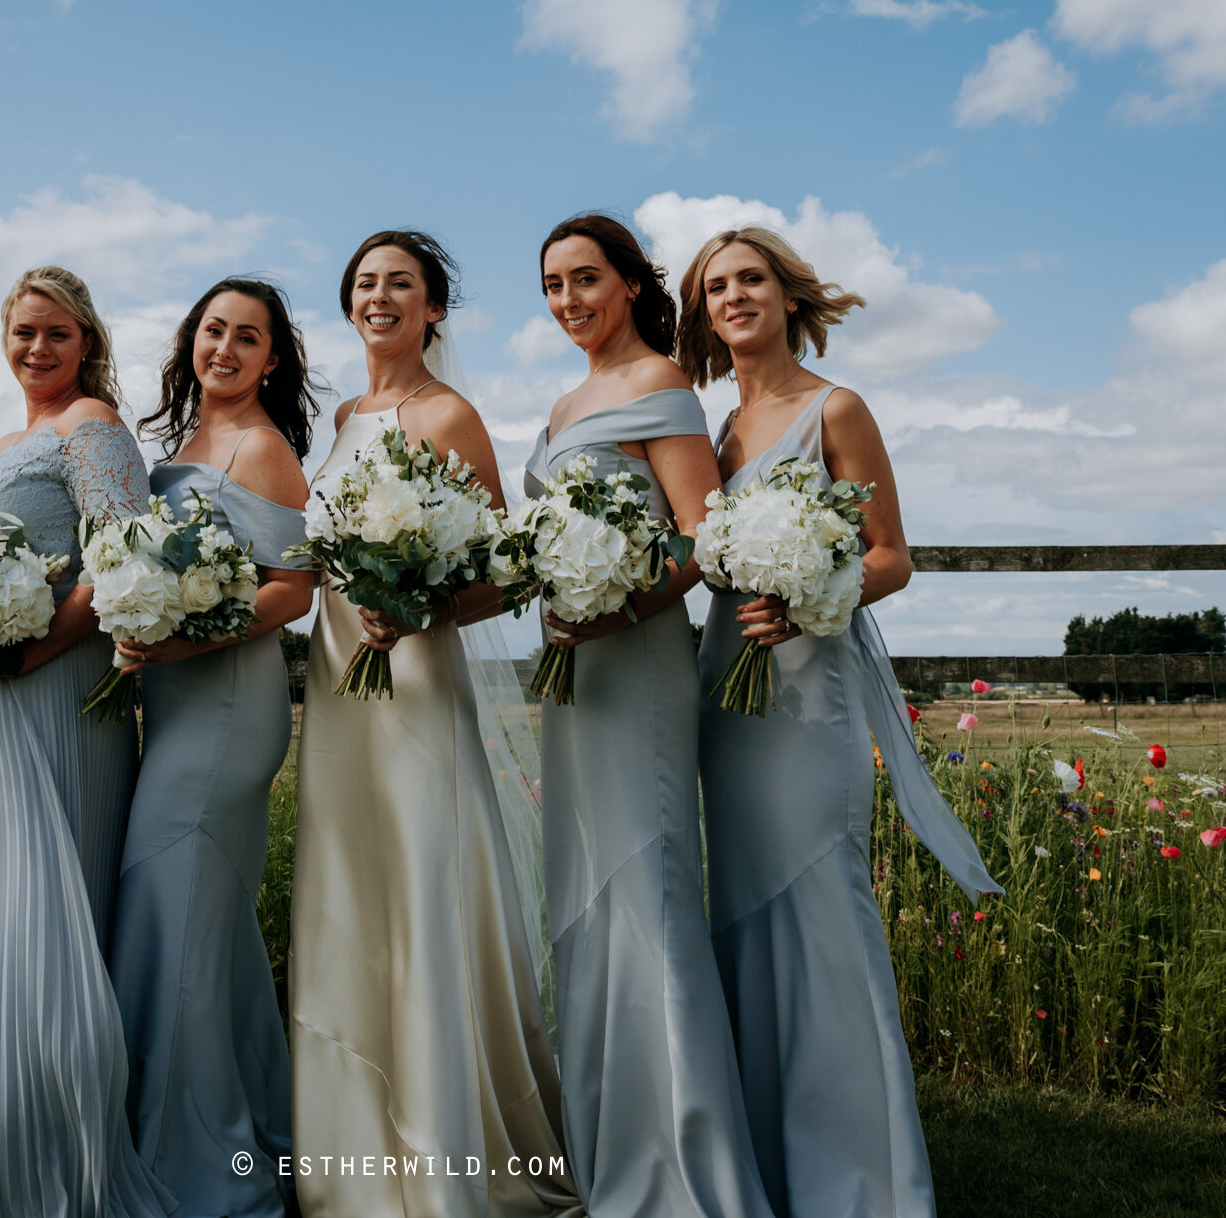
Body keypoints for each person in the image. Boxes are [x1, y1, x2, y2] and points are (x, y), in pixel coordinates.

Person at [678, 227, 1000, 1218]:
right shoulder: (713, 433)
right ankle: (766, 1158)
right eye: (715, 285)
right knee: (739, 915)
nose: (734, 295)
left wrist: (817, 593)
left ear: (785, 293)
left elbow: (893, 554)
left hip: (809, 695)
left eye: (750, 278)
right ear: (702, 311)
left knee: (823, 908)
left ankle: (864, 1176)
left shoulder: (836, 408)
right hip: (727, 692)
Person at [288, 230, 581, 1218]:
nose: (380, 297)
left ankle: (447, 1149)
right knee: (348, 887)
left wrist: (421, 606)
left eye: (400, 284)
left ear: (433, 308)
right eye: (365, 283)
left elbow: (504, 571)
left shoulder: (450, 414)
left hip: (414, 676)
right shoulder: (341, 415)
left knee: (422, 880)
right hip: (336, 681)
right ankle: (350, 1146)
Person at [522, 215, 771, 1218]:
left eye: (587, 278)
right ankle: (606, 1139)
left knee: (649, 888)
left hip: (639, 664)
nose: (569, 299)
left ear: (631, 283)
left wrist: (612, 602)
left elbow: (701, 540)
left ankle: (682, 1165)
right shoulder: (563, 399)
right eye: (552, 284)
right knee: (584, 899)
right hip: (573, 674)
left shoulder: (662, 383)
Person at [0, 265, 169, 1218]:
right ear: (4, 339)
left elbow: (124, 558)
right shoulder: (6, 439)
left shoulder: (92, 425)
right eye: (23, 332)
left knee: (44, 925)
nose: (37, 349)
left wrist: (20, 652)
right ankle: (1, 1158)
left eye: (56, 333)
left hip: (59, 698)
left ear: (87, 340)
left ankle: (67, 1155)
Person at [109, 278, 320, 1217]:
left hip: (230, 706)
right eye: (212, 331)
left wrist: (184, 637)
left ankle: (195, 1166)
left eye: (247, 337)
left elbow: (292, 590)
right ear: (191, 342)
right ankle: (246, 1136)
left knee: (170, 905)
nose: (225, 349)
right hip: (173, 700)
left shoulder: (265, 449)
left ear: (273, 359)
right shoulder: (181, 448)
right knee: (206, 925)